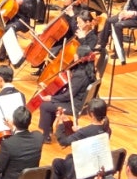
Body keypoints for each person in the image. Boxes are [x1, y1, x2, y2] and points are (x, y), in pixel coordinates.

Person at [36, 10, 99, 139]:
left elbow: (68, 95)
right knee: (55, 94)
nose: (74, 55)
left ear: (81, 58)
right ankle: (48, 129)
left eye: (77, 54)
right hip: (76, 98)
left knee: (45, 104)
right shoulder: (87, 69)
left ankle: (46, 135)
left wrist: (51, 98)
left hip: (74, 104)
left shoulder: (80, 74)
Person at [46, 97, 111, 179]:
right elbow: (92, 133)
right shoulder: (107, 129)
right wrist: (80, 130)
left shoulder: (85, 131)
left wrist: (61, 123)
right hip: (99, 165)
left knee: (57, 163)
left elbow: (63, 141)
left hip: (86, 171)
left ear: (91, 114)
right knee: (69, 157)